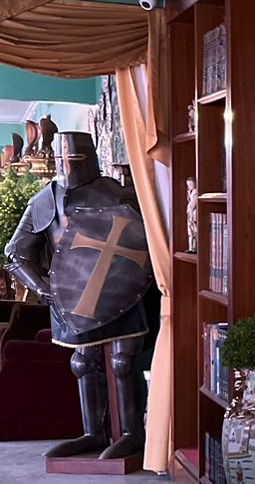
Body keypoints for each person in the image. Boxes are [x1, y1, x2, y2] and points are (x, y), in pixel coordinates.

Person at [4, 131, 152, 459]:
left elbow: (151, 244)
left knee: (123, 362)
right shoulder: (44, 201)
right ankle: (92, 434)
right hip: (71, 298)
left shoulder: (120, 195)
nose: (69, 166)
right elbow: (16, 253)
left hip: (121, 294)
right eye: (64, 158)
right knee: (83, 362)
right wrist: (43, 288)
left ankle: (132, 434)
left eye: (75, 158)